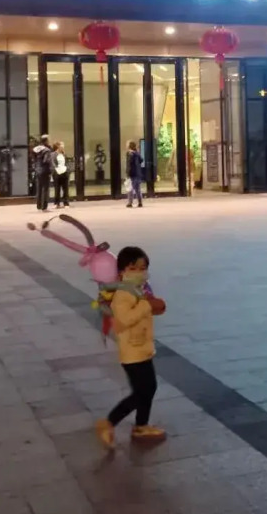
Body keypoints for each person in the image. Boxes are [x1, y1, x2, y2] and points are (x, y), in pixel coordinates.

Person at [95, 246, 167, 448]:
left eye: (143, 268)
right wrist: (146, 306)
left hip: (142, 348)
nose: (140, 272)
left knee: (148, 388)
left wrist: (153, 306)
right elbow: (124, 320)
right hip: (132, 352)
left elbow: (145, 312)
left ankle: (141, 425)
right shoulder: (122, 294)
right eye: (134, 268)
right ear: (123, 271)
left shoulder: (139, 290)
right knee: (141, 392)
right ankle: (109, 422)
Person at [33, 135, 54, 211]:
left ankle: (38, 205)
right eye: (48, 140)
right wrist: (51, 167)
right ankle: (44, 207)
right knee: (45, 189)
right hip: (45, 171)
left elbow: (34, 159)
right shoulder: (47, 150)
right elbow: (46, 160)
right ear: (46, 141)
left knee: (39, 188)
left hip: (38, 170)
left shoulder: (36, 149)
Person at [52, 141, 70, 209]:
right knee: (57, 189)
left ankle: (66, 203)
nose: (63, 146)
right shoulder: (53, 154)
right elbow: (53, 163)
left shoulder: (64, 154)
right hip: (57, 173)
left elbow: (67, 163)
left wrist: (67, 169)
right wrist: (56, 170)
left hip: (64, 172)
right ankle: (57, 203)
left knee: (65, 189)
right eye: (62, 145)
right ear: (58, 146)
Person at [125, 141, 144, 208]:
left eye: (127, 145)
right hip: (138, 173)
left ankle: (130, 203)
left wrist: (128, 174)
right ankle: (140, 203)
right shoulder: (137, 153)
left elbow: (129, 165)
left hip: (132, 174)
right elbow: (141, 160)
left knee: (130, 189)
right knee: (138, 189)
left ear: (129, 146)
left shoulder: (129, 153)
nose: (126, 146)